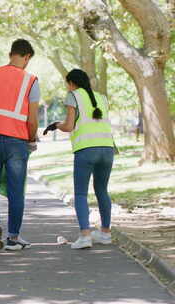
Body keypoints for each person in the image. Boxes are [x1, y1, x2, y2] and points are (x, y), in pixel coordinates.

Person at [0, 39, 40, 251]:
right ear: (27, 57)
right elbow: (32, 119)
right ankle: (13, 238)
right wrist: (31, 139)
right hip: (17, 140)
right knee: (15, 190)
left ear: (10, 53)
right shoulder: (31, 80)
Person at [43, 69, 115, 249]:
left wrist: (56, 125)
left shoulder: (73, 96)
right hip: (107, 149)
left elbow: (69, 126)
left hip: (86, 150)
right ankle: (105, 233)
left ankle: (85, 236)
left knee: (81, 194)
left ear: (71, 83)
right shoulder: (102, 98)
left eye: (67, 83)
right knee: (102, 190)